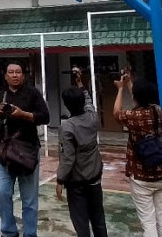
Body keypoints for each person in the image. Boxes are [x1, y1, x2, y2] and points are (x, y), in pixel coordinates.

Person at [0, 62, 50, 237]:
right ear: (6, 76)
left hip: (28, 151)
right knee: (1, 193)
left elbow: (45, 117)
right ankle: (8, 231)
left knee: (29, 199)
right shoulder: (1, 95)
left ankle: (30, 234)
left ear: (23, 75)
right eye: (11, 72)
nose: (14, 75)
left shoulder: (33, 94)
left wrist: (23, 114)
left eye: (18, 72)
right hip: (6, 153)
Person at [113, 72, 162, 237]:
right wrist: (131, 84)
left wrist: (120, 89)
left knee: (148, 222)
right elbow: (141, 100)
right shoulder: (157, 111)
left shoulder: (133, 117)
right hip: (160, 172)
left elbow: (117, 112)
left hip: (141, 175)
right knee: (161, 217)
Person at [56, 68, 108, 237]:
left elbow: (68, 158)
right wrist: (80, 82)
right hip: (94, 176)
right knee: (98, 219)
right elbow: (88, 101)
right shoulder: (92, 117)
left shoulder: (67, 126)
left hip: (77, 181)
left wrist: (60, 179)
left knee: (81, 221)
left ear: (66, 104)